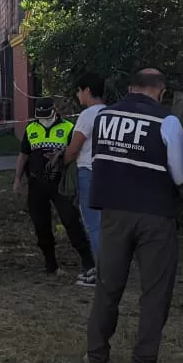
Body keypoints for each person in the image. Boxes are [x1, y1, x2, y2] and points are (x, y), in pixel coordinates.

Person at [83, 69, 183, 363]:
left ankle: (96, 357)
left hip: (114, 212)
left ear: (130, 88)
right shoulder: (166, 121)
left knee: (107, 286)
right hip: (155, 214)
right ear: (160, 91)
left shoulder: (103, 116)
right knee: (155, 291)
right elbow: (180, 175)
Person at [14, 96, 96, 281]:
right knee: (40, 225)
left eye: (46, 115)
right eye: (40, 116)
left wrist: (59, 156)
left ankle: (88, 262)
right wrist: (17, 179)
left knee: (71, 221)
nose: (43, 118)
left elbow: (75, 152)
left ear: (55, 111)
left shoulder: (68, 128)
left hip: (60, 184)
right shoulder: (31, 128)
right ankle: (50, 263)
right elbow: (23, 155)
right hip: (36, 184)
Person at [64, 73, 108, 281]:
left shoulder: (88, 115)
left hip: (88, 172)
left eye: (79, 90)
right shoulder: (111, 112)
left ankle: (102, 273)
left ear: (88, 90)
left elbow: (74, 149)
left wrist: (60, 163)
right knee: (108, 224)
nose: (77, 95)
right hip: (110, 174)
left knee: (93, 225)